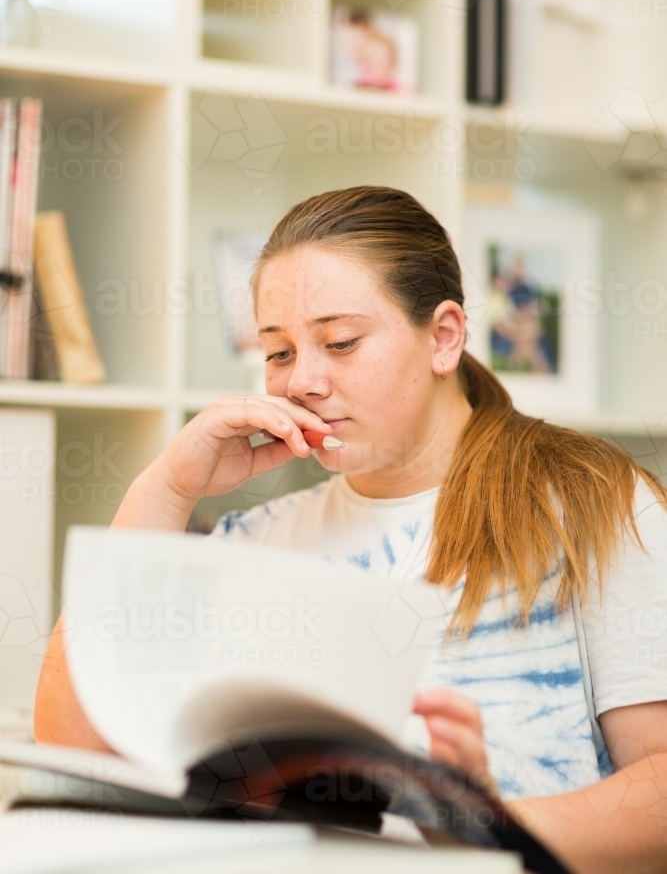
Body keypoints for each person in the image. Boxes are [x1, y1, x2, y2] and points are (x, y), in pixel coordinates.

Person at [35, 186, 667, 874]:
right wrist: (164, 491)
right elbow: (76, 747)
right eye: (277, 353)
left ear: (443, 336)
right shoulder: (255, 540)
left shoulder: (592, 502)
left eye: (340, 342)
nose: (302, 379)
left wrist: (490, 826)